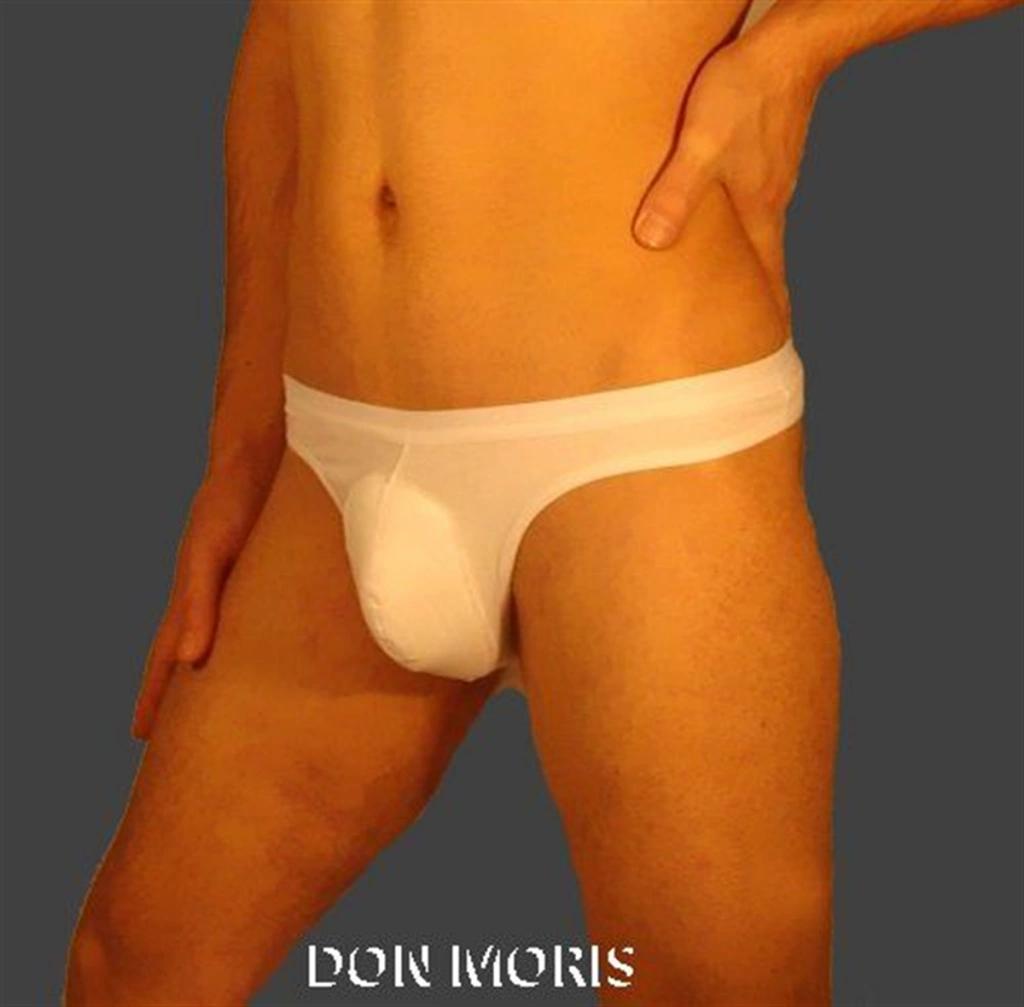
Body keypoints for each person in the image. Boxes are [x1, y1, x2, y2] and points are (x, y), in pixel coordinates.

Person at [63, 1, 1019, 1004]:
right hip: (329, 460)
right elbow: (284, 33)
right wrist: (240, 446)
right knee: (129, 966)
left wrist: (794, 49)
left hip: (636, 442)